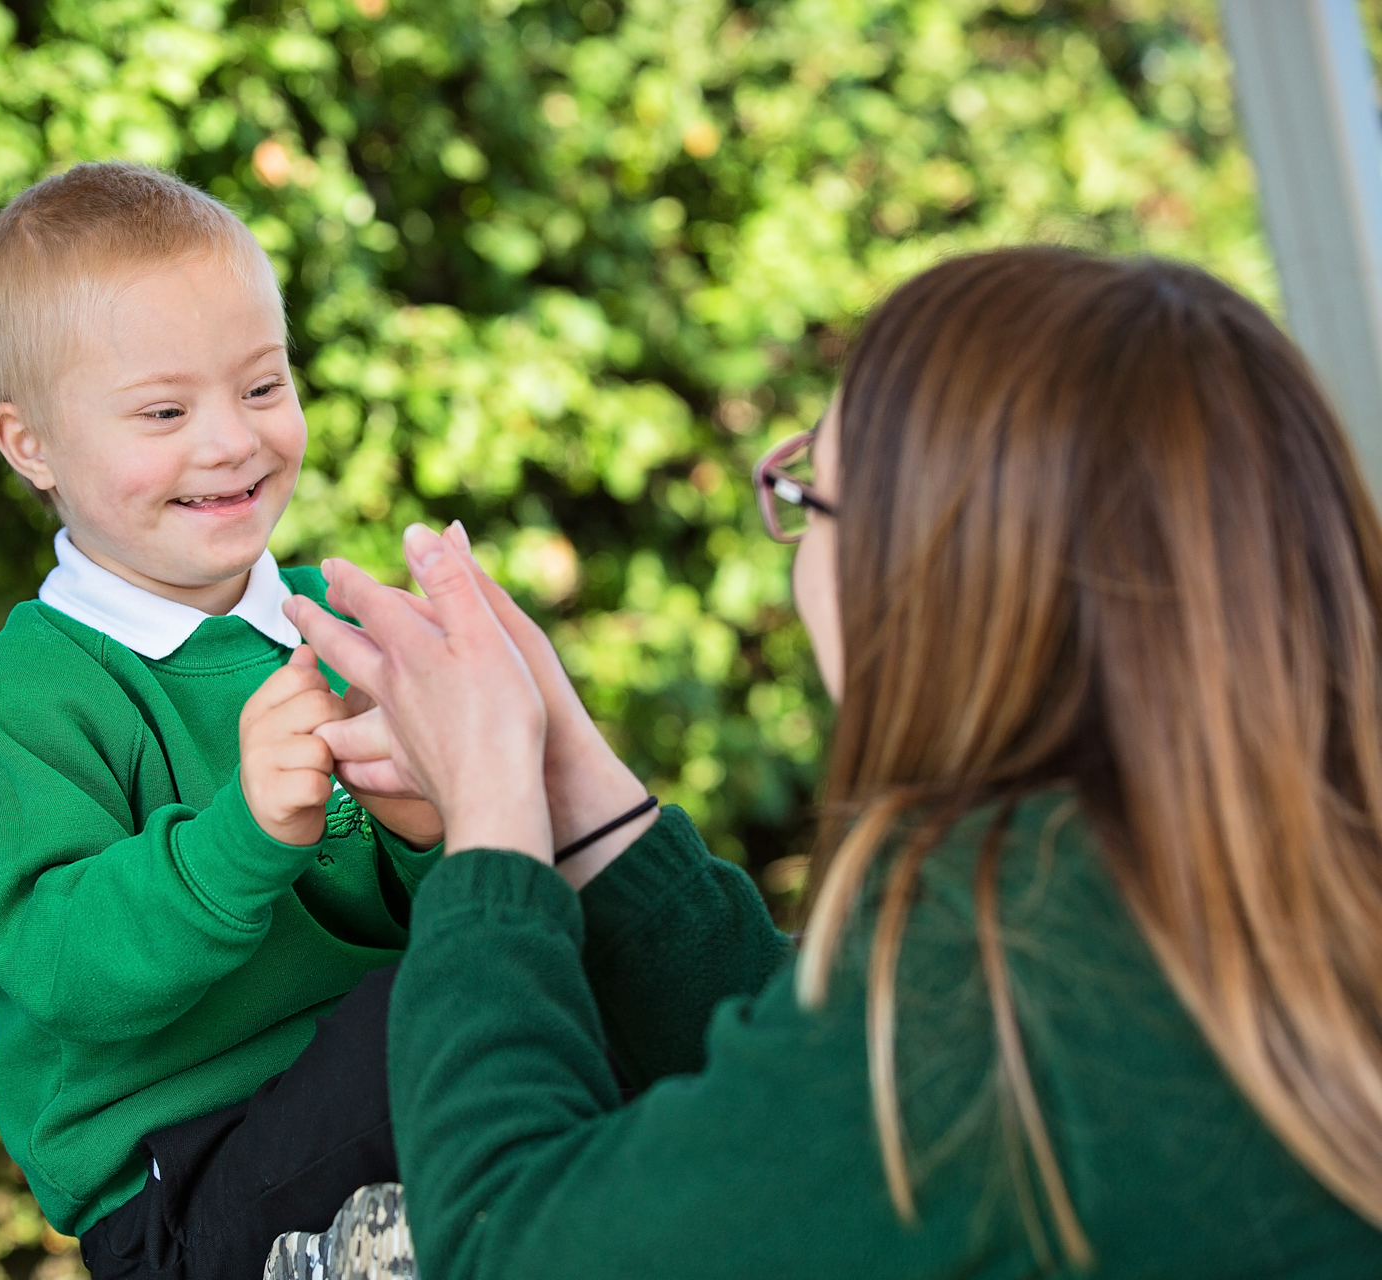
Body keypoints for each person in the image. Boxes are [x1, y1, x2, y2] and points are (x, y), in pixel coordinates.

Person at [289, 248, 1382, 1277]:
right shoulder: (1204, 893)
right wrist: (569, 789)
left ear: (928, 579)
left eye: (811, 493)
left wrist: (490, 819)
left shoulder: (1005, 992)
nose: (796, 531)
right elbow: (818, 1104)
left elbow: (517, 1247)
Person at [0, 162, 442, 1280]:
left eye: (262, 387)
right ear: (30, 443)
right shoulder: (34, 695)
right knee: (460, 1007)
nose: (230, 441)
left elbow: (436, 909)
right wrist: (241, 836)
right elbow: (59, 966)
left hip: (366, 1086)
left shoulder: (331, 624)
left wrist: (423, 828)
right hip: (183, 1170)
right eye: (165, 412)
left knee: (543, 950)